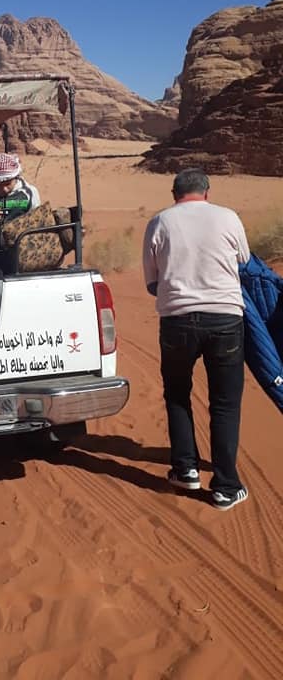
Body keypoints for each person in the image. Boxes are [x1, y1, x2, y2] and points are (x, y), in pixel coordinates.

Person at [142, 168, 251, 511]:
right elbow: (244, 261)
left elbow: (152, 282)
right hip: (226, 320)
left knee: (177, 394)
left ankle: (185, 469)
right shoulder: (228, 217)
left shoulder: (159, 222)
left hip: (177, 321)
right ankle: (226, 486)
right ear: (207, 192)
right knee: (225, 403)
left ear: (174, 194)